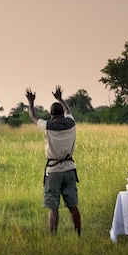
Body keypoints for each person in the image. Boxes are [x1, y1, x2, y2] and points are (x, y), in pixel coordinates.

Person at [26, 85, 81, 235]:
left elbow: (33, 117)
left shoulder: (48, 125)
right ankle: (79, 235)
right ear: (62, 113)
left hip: (54, 170)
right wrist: (60, 99)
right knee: (73, 206)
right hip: (69, 168)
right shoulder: (71, 123)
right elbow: (69, 111)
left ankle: (53, 236)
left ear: (51, 114)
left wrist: (31, 102)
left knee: (53, 206)